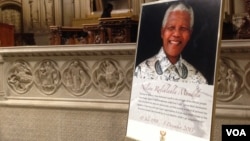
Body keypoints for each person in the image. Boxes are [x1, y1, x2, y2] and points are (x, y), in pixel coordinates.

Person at [134, 2, 207, 84]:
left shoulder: (199, 80)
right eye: (171, 27)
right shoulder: (141, 72)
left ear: (189, 34)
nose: (176, 34)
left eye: (183, 28)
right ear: (162, 32)